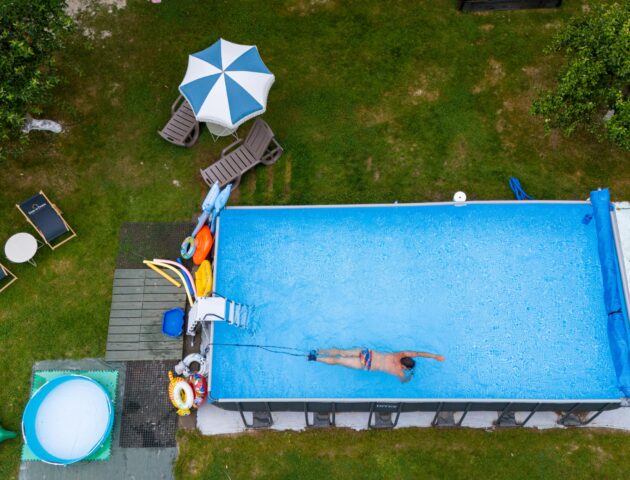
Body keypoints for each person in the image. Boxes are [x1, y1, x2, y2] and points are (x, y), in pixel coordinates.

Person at [308, 347, 444, 382]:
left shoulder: (400, 354)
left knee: (341, 352)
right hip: (366, 364)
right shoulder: (399, 371)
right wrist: (411, 375)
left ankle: (318, 351)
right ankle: (315, 358)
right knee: (338, 361)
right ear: (405, 367)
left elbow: (418, 353)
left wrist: (434, 356)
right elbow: (404, 381)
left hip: (369, 354)